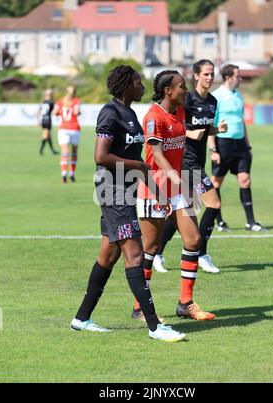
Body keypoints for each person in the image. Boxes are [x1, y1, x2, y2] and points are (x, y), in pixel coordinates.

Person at [70, 65, 185, 342]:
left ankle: (81, 318)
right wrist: (138, 166)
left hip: (126, 191)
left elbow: (140, 167)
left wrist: (156, 192)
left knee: (108, 255)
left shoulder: (131, 114)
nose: (141, 84)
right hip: (112, 192)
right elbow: (101, 156)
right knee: (135, 255)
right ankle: (155, 326)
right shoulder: (110, 113)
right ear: (125, 86)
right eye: (136, 81)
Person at [134, 69, 216, 321]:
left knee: (193, 240)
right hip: (154, 189)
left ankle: (186, 304)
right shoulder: (153, 116)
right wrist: (176, 177)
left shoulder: (180, 111)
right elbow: (156, 153)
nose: (186, 90)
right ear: (168, 91)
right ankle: (139, 306)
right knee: (150, 247)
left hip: (175, 189)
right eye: (182, 86)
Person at [153, 60, 228, 275]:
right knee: (213, 203)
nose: (209, 77)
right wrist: (189, 134)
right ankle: (201, 254)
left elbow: (203, 129)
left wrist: (216, 129)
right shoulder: (186, 99)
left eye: (211, 73)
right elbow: (175, 127)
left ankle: (157, 252)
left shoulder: (212, 101)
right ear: (195, 76)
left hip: (198, 161)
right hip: (186, 162)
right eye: (205, 73)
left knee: (180, 209)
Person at [210, 64, 267, 232]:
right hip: (223, 144)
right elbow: (211, 126)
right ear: (228, 77)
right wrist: (213, 150)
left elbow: (241, 121)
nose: (240, 78)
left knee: (245, 180)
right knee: (216, 183)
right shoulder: (216, 97)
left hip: (240, 145)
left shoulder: (239, 96)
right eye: (237, 75)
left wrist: (247, 145)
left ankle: (251, 222)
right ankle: (219, 221)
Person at [53, 86, 81, 183]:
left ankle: (64, 174)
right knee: (73, 152)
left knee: (65, 152)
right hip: (74, 129)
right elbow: (77, 112)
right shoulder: (76, 101)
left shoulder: (60, 101)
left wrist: (59, 112)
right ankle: (71, 174)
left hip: (64, 129)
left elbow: (54, 112)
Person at [37, 89, 58, 156]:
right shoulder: (51, 102)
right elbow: (55, 111)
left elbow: (38, 112)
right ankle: (41, 150)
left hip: (43, 119)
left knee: (48, 136)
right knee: (45, 135)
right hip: (48, 120)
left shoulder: (43, 101)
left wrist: (38, 120)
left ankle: (52, 150)